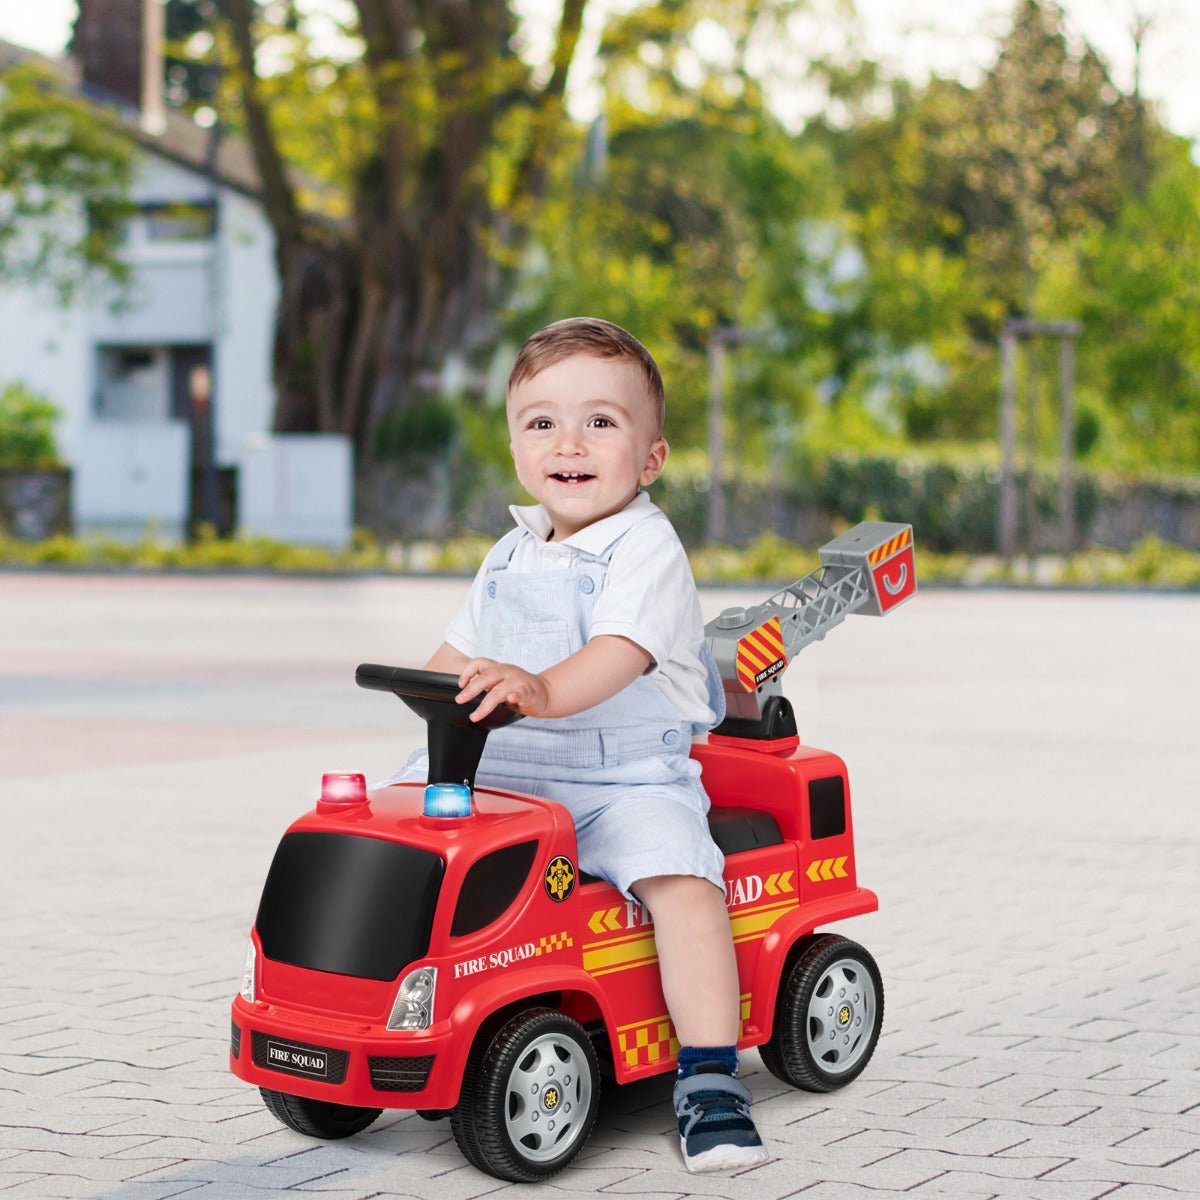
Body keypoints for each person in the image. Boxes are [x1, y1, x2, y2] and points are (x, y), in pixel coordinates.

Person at [389, 317, 768, 1172]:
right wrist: (423, 694)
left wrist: (541, 689)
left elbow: (617, 654)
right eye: (542, 422)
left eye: (601, 421)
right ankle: (405, 1008)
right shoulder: (509, 553)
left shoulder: (646, 547)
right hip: (511, 768)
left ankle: (709, 1077)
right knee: (401, 829)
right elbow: (455, 655)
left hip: (622, 779)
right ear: (516, 447)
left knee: (680, 880)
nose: (570, 442)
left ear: (651, 456)